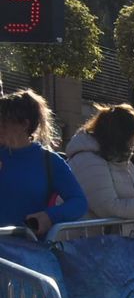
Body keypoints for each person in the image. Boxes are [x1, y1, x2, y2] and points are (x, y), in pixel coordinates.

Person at [0, 89, 86, 235]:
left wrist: (49, 216)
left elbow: (79, 202)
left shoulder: (50, 161)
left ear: (24, 125)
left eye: (3, 122)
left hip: (27, 251)